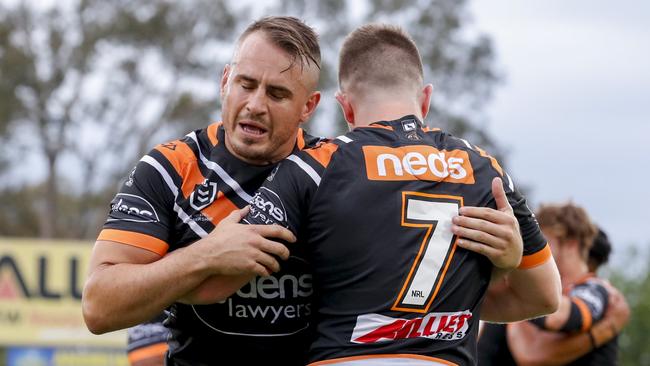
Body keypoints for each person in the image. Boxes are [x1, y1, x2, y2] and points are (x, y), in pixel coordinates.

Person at [220, 24, 561, 365]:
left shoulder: (316, 165)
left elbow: (216, 284)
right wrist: (500, 268)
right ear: (425, 99)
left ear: (345, 107)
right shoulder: (484, 170)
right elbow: (546, 296)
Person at [82, 16, 323, 365]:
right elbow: (98, 307)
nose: (256, 104)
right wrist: (207, 254)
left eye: (277, 93)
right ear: (225, 81)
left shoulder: (330, 172)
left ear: (308, 106)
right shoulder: (169, 168)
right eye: (246, 84)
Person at [478, 206, 629, 365]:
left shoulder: (596, 290)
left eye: (541, 241)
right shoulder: (518, 301)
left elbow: (555, 319)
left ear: (571, 244)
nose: (532, 250)